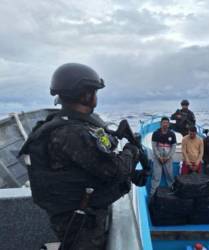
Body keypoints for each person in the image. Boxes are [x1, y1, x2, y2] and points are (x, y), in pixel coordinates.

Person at [19, 63, 143, 250]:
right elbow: (115, 170)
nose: (95, 97)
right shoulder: (73, 133)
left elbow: (101, 146)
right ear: (85, 94)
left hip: (77, 210)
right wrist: (132, 152)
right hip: (80, 219)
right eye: (94, 91)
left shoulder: (68, 123)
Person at [150, 117, 177, 196]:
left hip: (168, 158)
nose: (165, 124)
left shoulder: (172, 134)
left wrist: (168, 157)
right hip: (158, 158)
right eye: (163, 123)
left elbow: (174, 147)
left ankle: (172, 194)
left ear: (168, 124)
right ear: (160, 124)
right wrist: (159, 157)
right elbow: (154, 146)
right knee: (156, 176)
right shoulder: (155, 133)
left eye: (166, 123)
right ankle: (152, 195)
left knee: (170, 176)